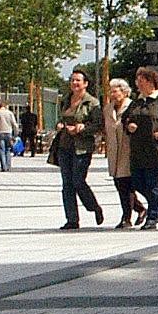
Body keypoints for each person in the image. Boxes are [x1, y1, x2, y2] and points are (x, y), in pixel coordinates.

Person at [121, 66, 158, 229]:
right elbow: (125, 119)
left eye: (141, 81)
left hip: (156, 150)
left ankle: (152, 217)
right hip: (138, 150)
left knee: (153, 185)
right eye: (137, 81)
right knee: (137, 183)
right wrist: (129, 125)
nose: (137, 84)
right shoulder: (137, 102)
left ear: (150, 82)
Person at [51, 70, 105, 231]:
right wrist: (60, 125)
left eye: (78, 81)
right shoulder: (66, 100)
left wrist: (83, 128)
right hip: (64, 146)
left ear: (85, 83)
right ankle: (72, 220)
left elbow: (98, 125)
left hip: (82, 147)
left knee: (78, 181)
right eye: (72, 80)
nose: (74, 83)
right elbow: (61, 119)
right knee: (67, 184)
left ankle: (94, 207)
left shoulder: (92, 103)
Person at [103, 77, 141, 226]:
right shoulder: (108, 109)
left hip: (128, 150)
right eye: (111, 91)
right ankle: (140, 209)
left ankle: (126, 218)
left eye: (115, 91)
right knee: (120, 184)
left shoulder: (133, 106)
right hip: (114, 152)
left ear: (124, 92)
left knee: (126, 184)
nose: (112, 94)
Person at [0, 102, 18, 172]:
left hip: (0, 132)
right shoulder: (10, 113)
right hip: (9, 132)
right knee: (8, 149)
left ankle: (3, 166)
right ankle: (8, 166)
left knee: (1, 150)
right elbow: (14, 124)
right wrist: (15, 133)